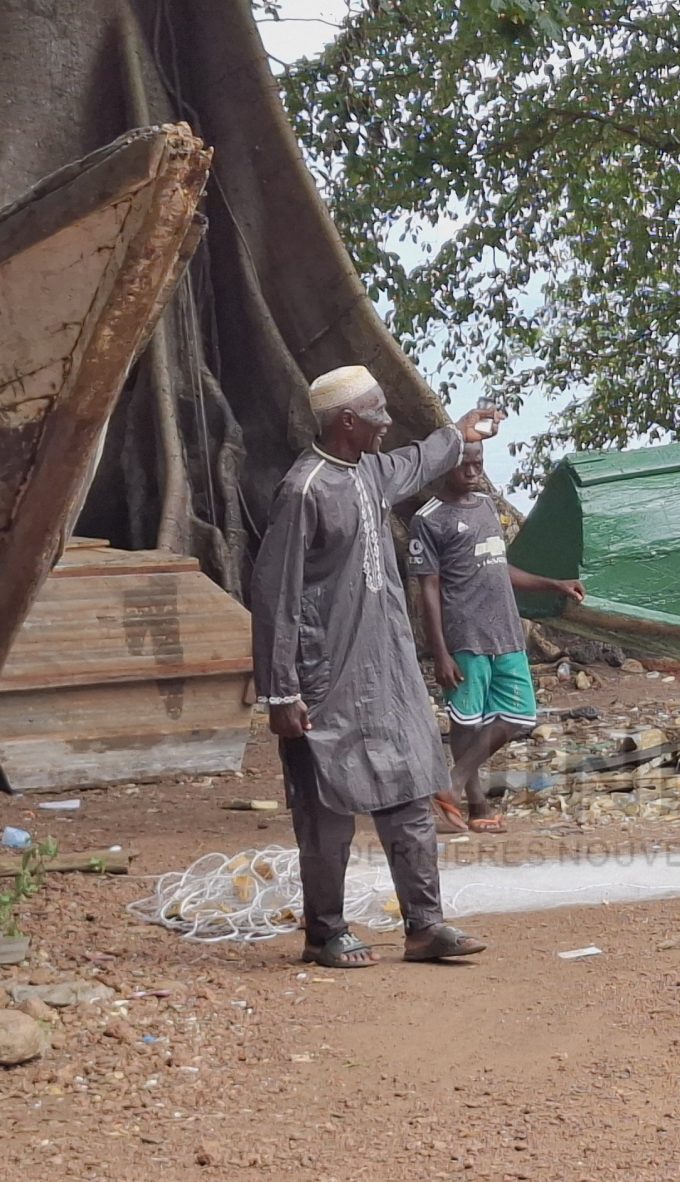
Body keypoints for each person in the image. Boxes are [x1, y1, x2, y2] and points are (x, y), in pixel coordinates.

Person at [251, 364, 506, 968]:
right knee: (327, 811)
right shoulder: (304, 489)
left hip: (386, 671)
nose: (388, 423)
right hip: (324, 678)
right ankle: (325, 932)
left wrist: (460, 432)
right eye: (378, 415)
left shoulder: (369, 470)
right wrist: (280, 692)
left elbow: (420, 459)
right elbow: (275, 594)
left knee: (412, 791)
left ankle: (425, 925)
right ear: (346, 421)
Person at [409, 441, 587, 834]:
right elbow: (429, 590)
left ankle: (452, 784)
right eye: (465, 465)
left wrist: (553, 584)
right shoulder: (429, 519)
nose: (473, 472)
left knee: (519, 713)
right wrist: (440, 651)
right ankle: (475, 806)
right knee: (466, 721)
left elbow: (499, 567)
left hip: (505, 630)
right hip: (465, 635)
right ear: (444, 465)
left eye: (479, 464)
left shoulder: (487, 506)